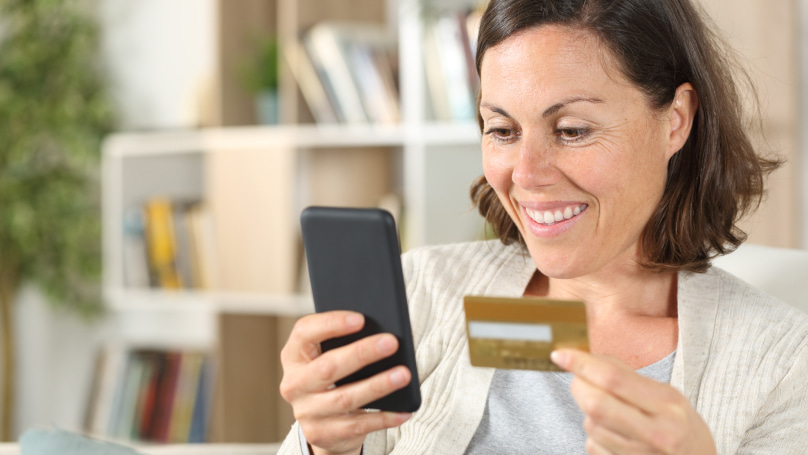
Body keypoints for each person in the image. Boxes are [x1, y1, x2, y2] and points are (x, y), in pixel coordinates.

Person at [277, 0, 808, 453]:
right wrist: (325, 446)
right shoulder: (422, 294)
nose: (526, 175)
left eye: (573, 130)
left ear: (675, 120)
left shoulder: (783, 365)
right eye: (502, 130)